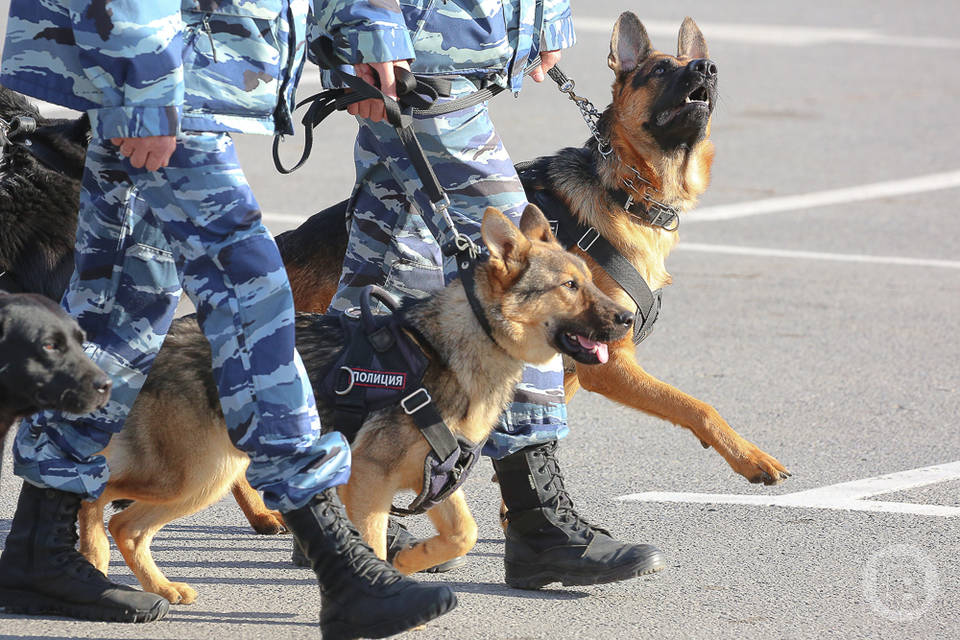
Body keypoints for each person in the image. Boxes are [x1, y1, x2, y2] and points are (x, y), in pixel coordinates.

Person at [0, 2, 456, 635]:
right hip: (160, 71)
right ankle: (342, 565)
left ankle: (37, 547)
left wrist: (368, 31)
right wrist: (146, 85)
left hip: (166, 71)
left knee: (118, 312)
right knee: (253, 301)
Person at [309, 0, 666, 589]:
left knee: (384, 268)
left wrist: (542, 20)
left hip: (439, 49)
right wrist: (370, 32)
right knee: (529, 282)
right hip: (417, 56)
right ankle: (539, 522)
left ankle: (335, 506)